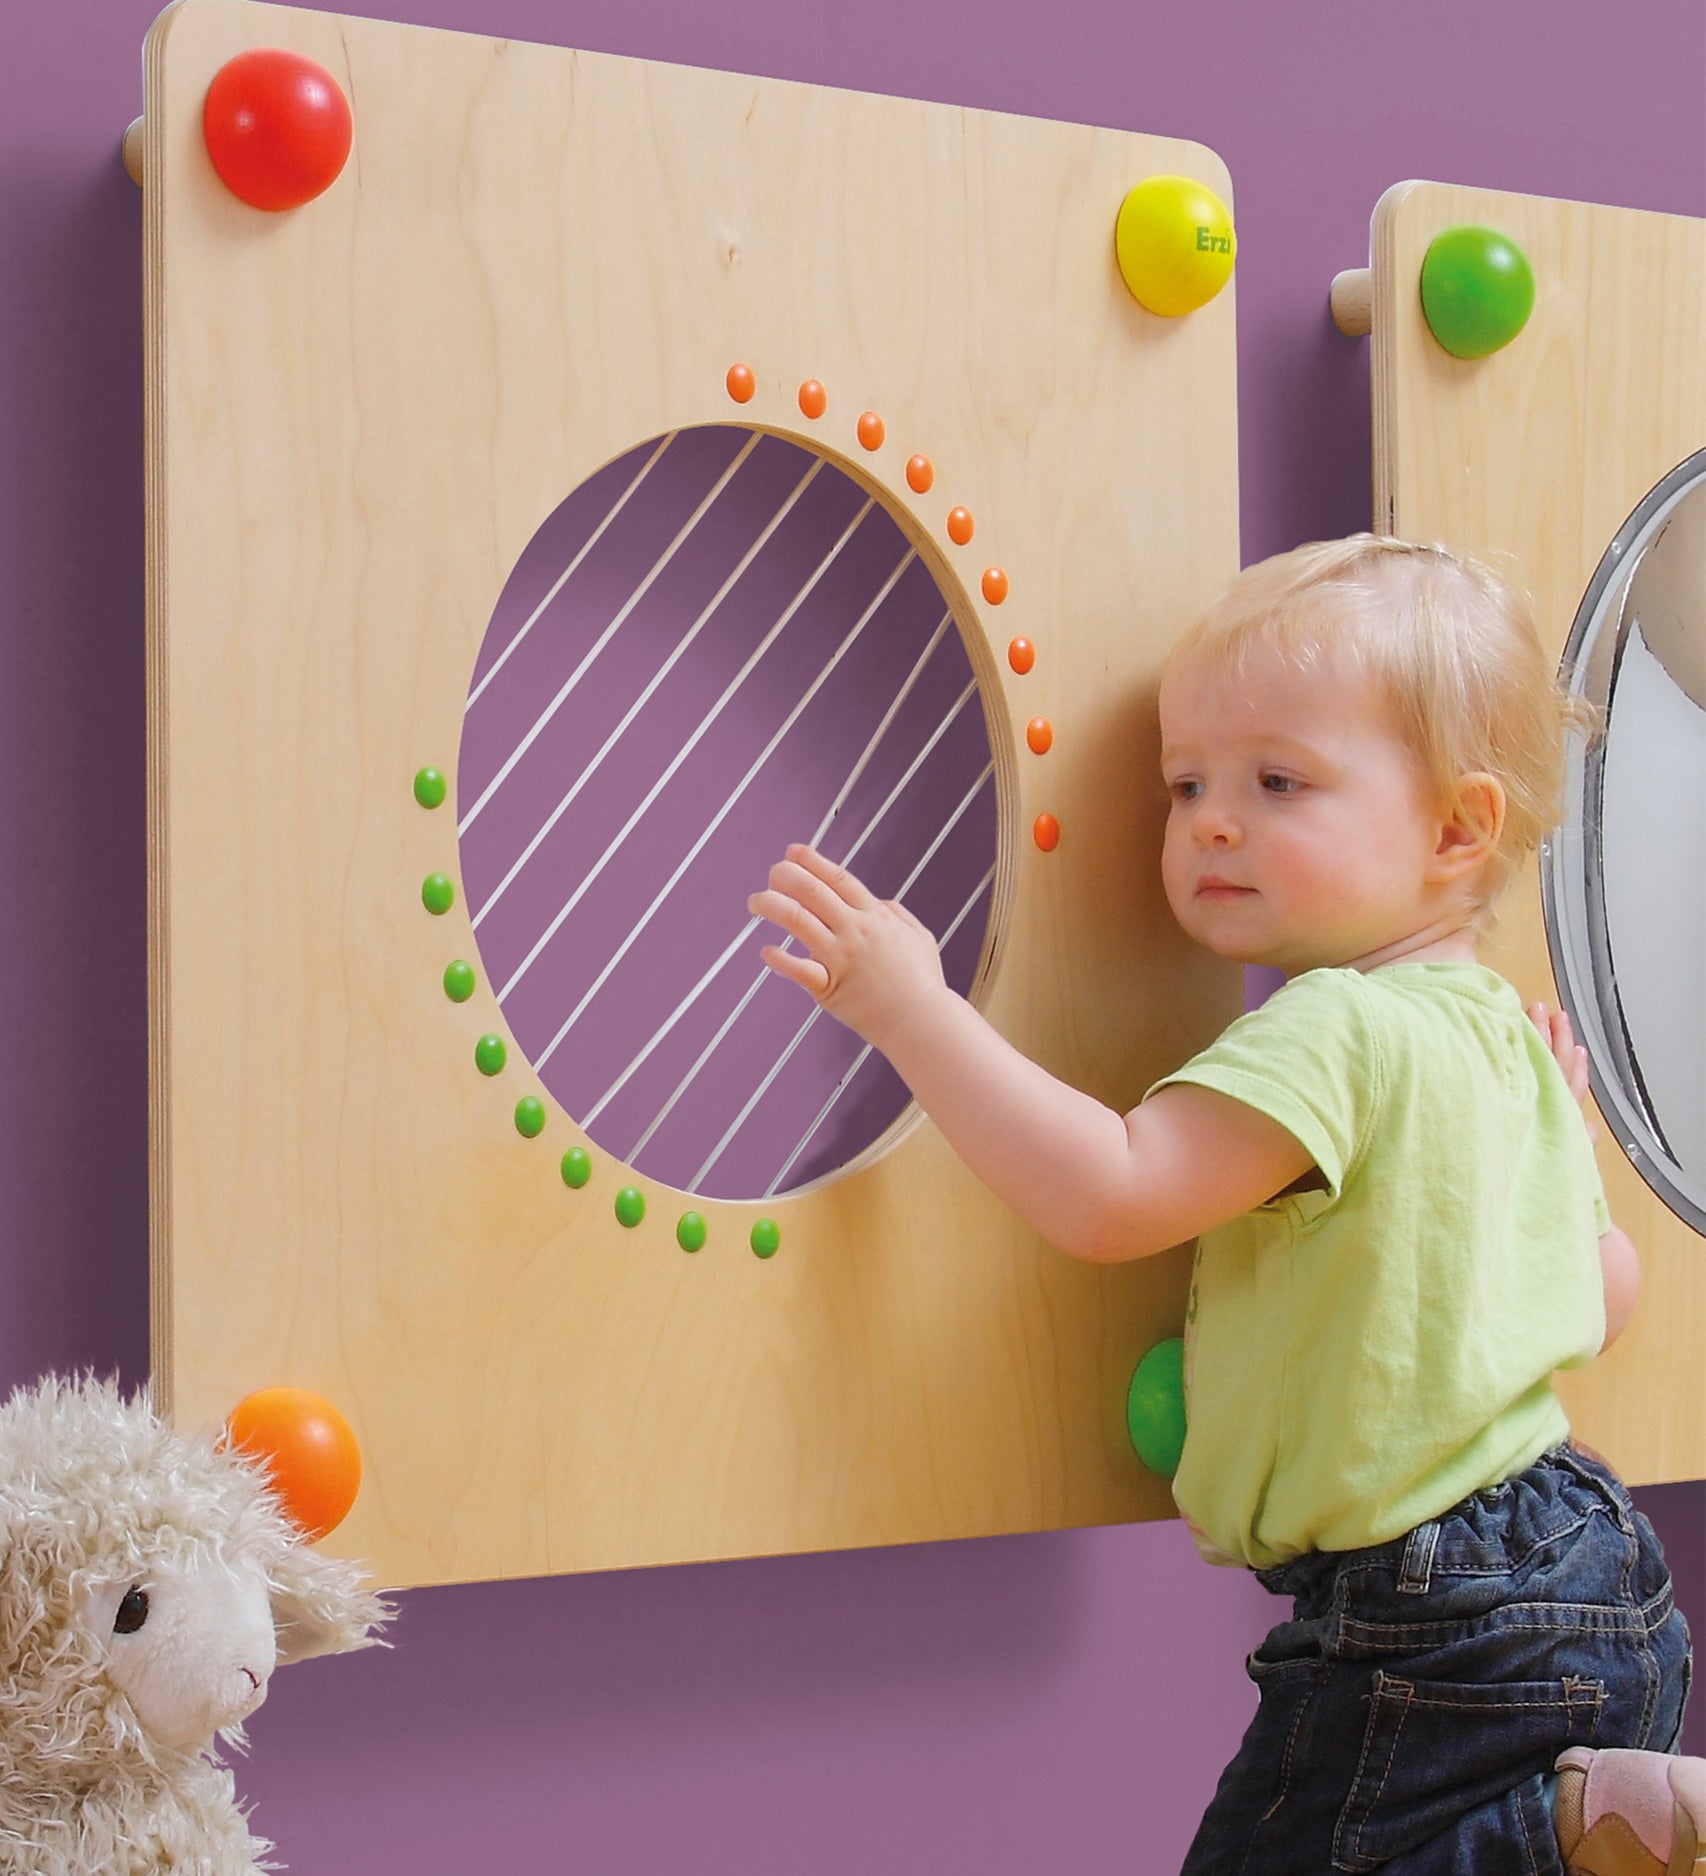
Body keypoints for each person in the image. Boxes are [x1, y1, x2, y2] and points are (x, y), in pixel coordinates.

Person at [749, 536, 1699, 1874]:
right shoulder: (1507, 1042)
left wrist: (911, 1011)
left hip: (1425, 1603)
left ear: (1454, 829)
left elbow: (1110, 1193)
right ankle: (1602, 1823)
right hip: (1595, 1564)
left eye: (1275, 781)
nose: (1207, 819)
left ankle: (1555, 1837)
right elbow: (1601, 1293)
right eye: (1183, 783)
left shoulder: (1331, 1029)